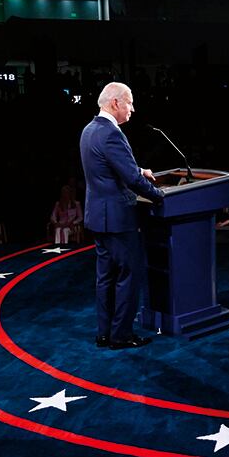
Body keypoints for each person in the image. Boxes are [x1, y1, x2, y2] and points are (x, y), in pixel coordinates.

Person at [80, 82, 165, 350]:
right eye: (129, 102)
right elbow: (130, 179)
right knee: (129, 274)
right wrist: (160, 196)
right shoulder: (112, 134)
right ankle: (122, 335)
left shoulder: (89, 130)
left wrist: (139, 169)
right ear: (115, 102)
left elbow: (107, 166)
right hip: (118, 219)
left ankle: (104, 333)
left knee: (105, 277)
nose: (133, 108)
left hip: (98, 217)